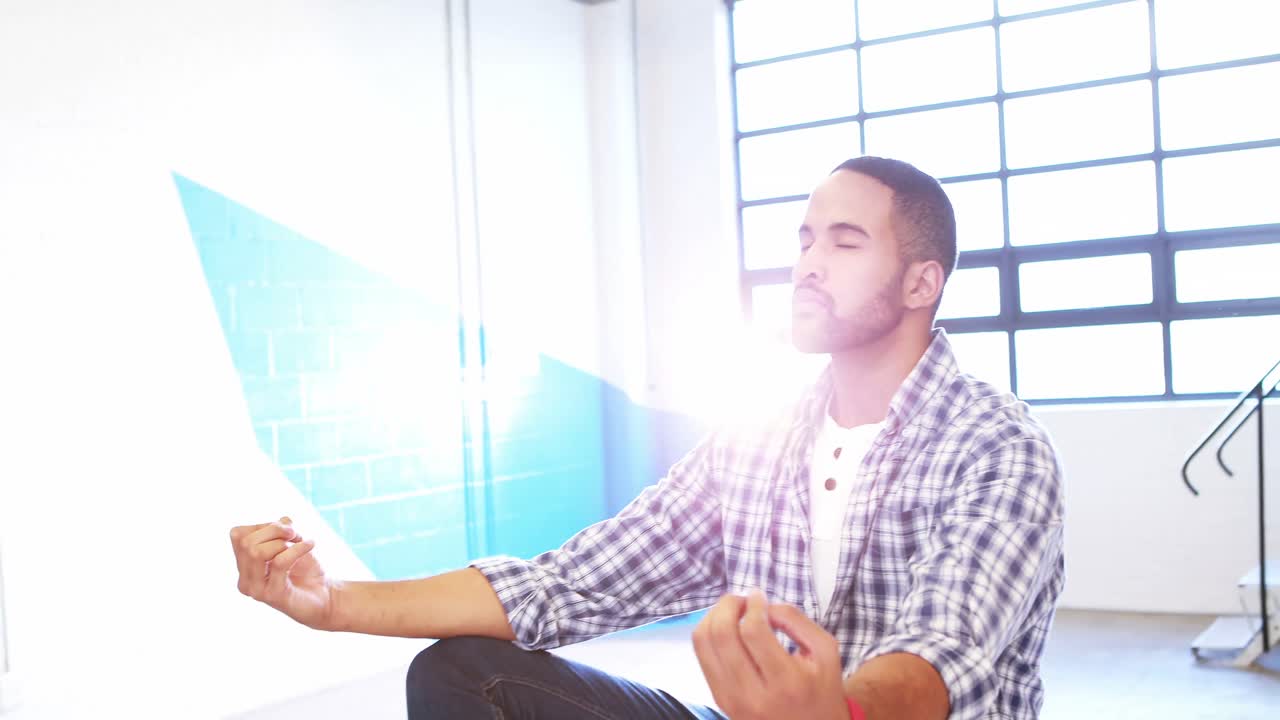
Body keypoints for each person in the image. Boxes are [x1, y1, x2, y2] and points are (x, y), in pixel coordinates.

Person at [229, 156, 1065, 720]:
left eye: (845, 243)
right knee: (460, 676)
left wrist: (830, 712)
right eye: (805, 239)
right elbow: (568, 585)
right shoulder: (760, 439)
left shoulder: (995, 447)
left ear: (924, 281)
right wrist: (332, 602)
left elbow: (940, 658)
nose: (809, 263)